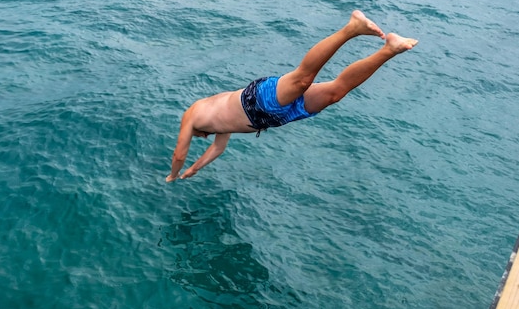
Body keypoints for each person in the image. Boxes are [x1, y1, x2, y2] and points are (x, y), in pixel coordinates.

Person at [166, 10, 418, 182]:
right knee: (335, 93)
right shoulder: (216, 124)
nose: (204, 136)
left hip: (257, 101)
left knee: (302, 79)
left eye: (200, 136)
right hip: (275, 116)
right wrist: (193, 170)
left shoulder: (192, 115)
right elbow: (218, 149)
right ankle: (390, 49)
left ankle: (351, 28)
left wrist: (172, 175)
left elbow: (179, 153)